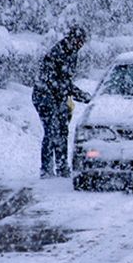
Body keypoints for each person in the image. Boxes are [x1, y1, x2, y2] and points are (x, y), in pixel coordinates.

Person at [32, 26, 92, 179]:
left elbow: (65, 81)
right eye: (79, 41)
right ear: (71, 38)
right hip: (44, 96)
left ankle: (62, 167)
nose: (80, 45)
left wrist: (76, 94)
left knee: (62, 131)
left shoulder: (72, 53)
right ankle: (46, 170)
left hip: (58, 97)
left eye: (82, 42)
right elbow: (56, 81)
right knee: (52, 131)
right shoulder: (57, 53)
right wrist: (80, 95)